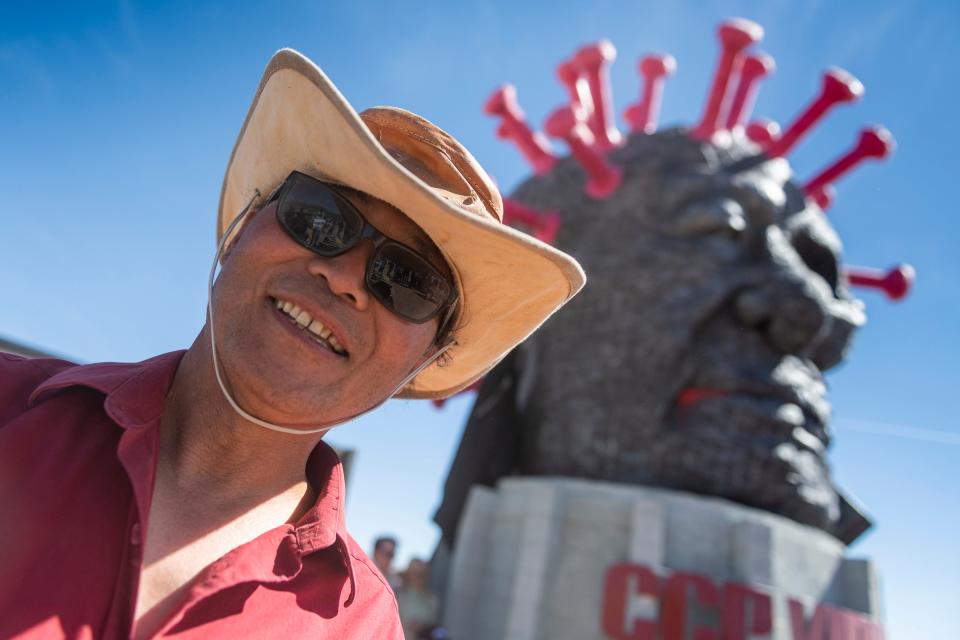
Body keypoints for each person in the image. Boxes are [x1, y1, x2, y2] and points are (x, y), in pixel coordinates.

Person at [0, 49, 584, 639]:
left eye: (407, 282)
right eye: (319, 218)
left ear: (425, 361)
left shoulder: (366, 627)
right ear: (242, 226)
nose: (347, 278)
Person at [395, 559, 439, 640]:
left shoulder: (432, 599)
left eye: (421, 573)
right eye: (414, 573)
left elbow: (434, 626)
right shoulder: (396, 595)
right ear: (408, 574)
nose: (418, 577)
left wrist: (423, 627)